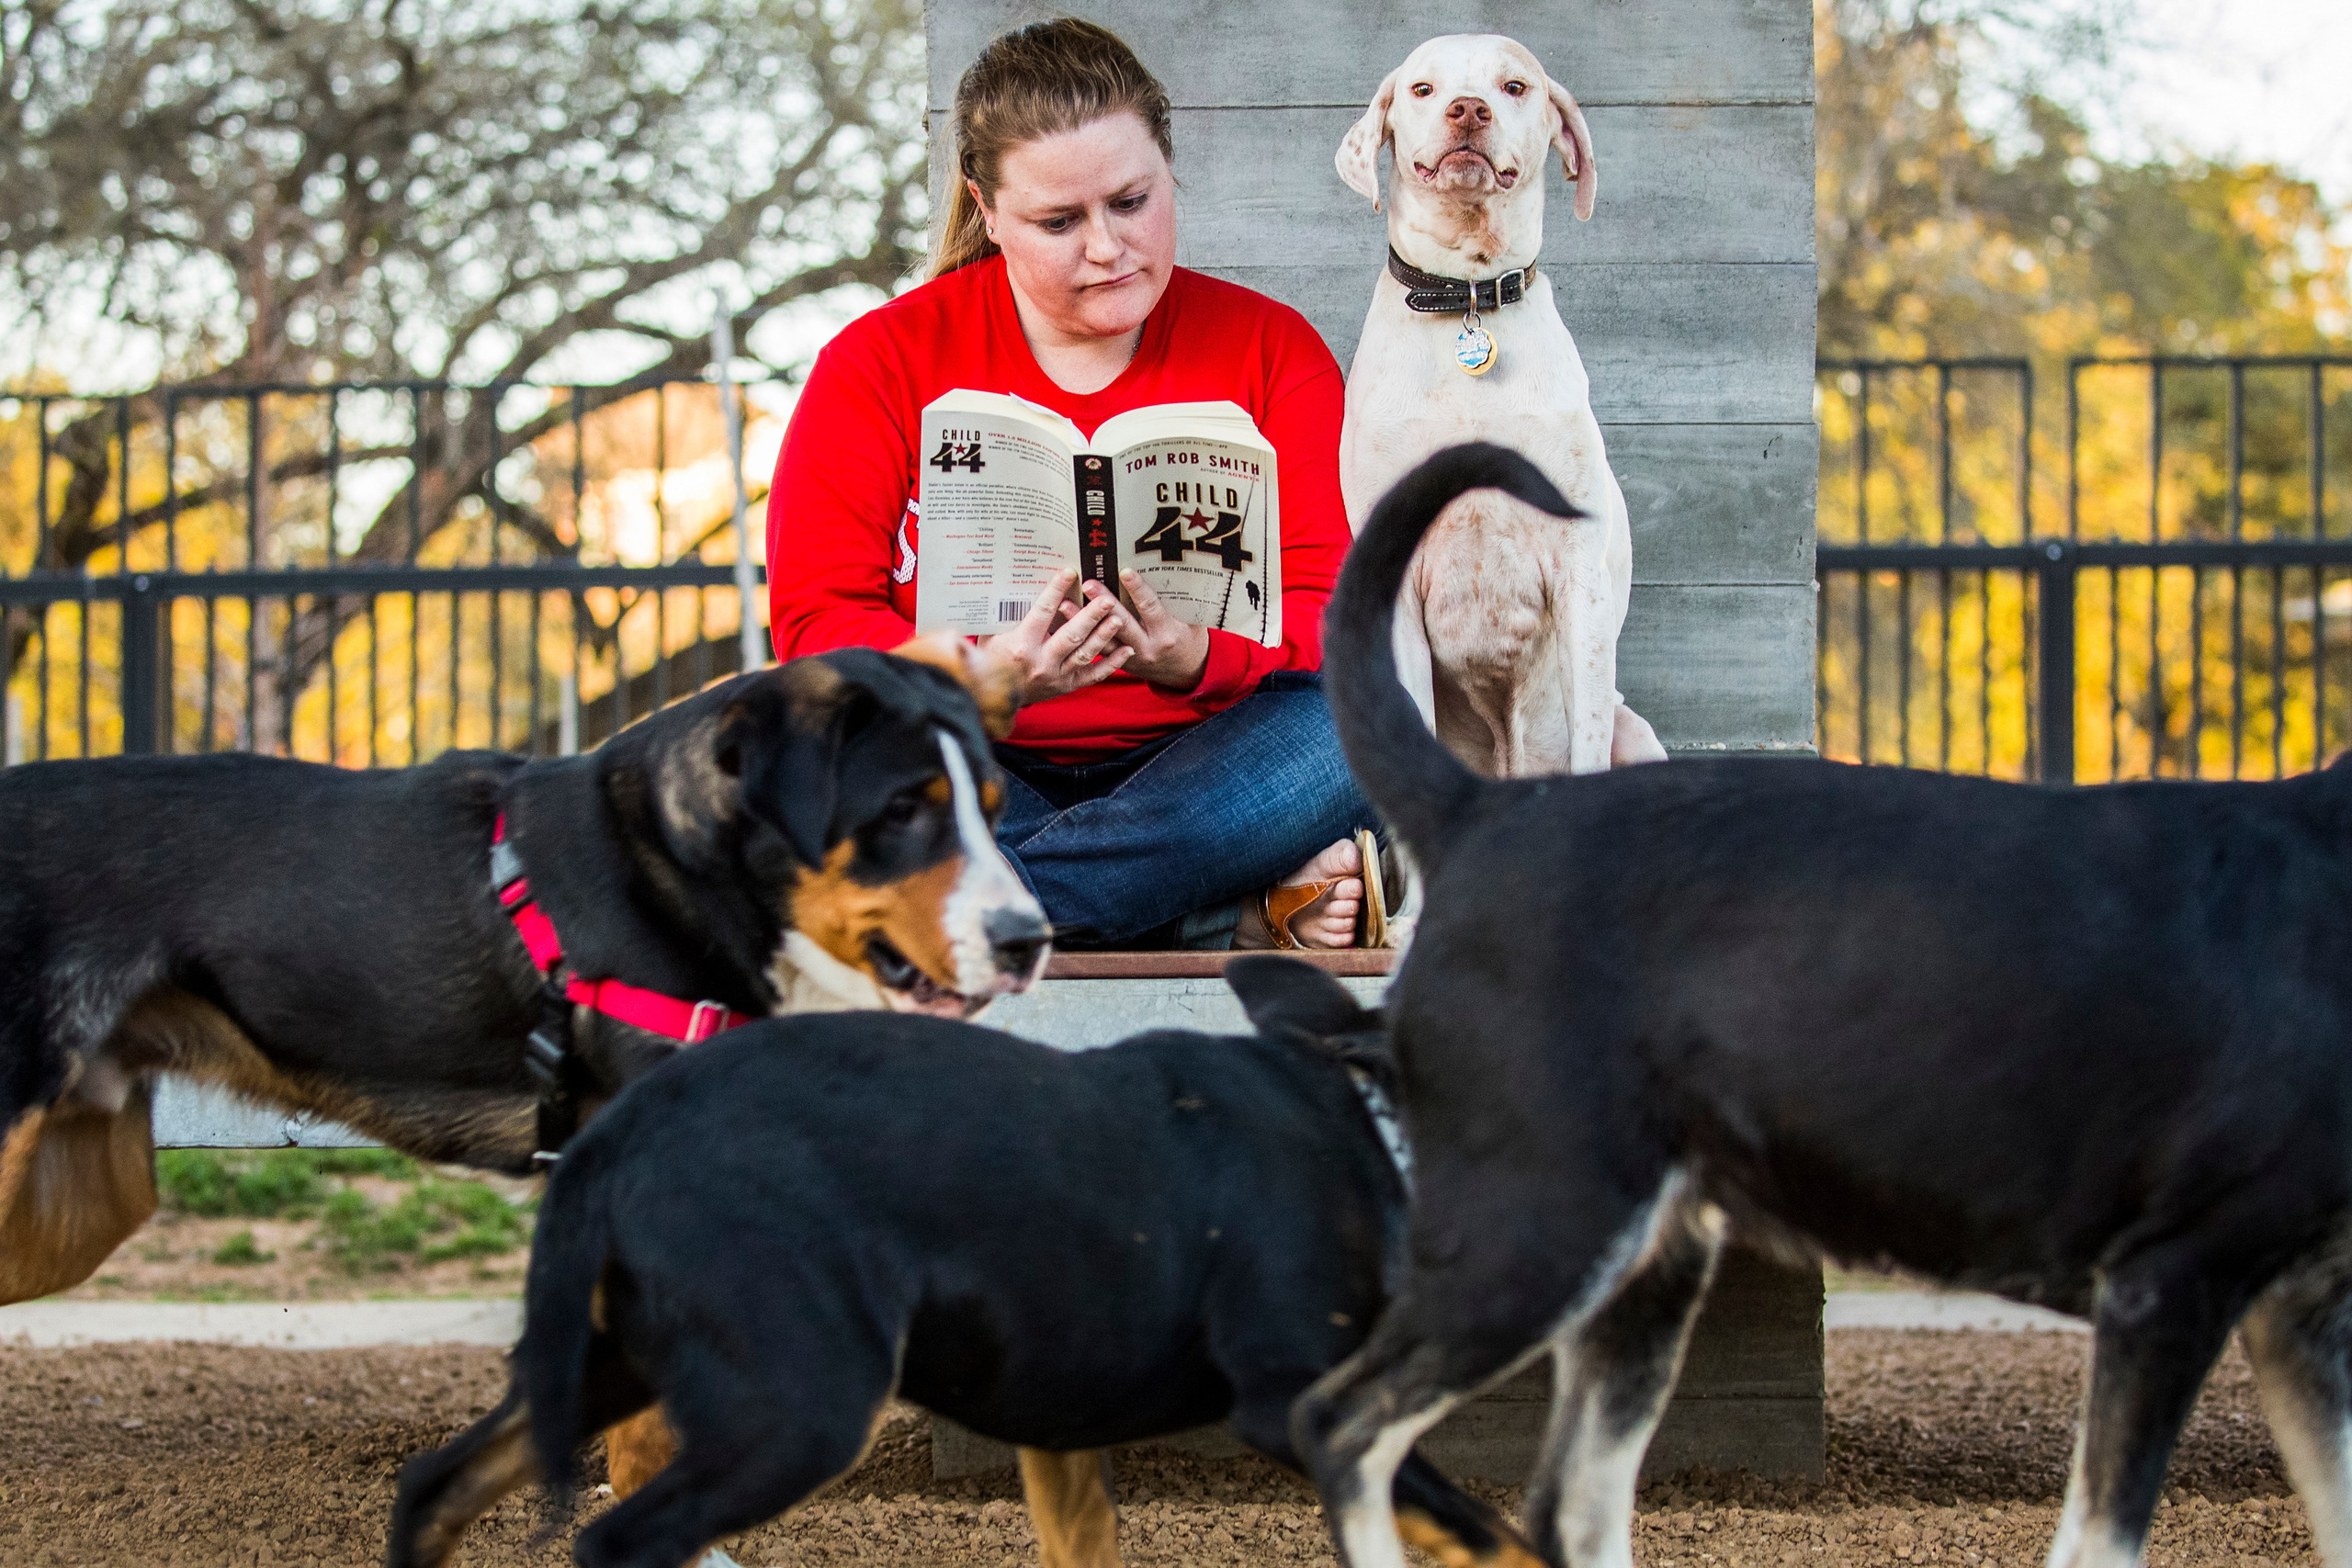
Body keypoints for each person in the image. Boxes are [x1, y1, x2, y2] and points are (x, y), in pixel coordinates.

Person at [766, 17, 1377, 951]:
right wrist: (985, 679)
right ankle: (1209, 911)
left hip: (1210, 760)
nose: (1107, 247)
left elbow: (1335, 616)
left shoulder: (1271, 349)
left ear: (1168, 168)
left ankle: (952, 921)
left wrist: (1197, 658)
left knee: (1355, 730)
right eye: (1059, 222)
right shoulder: (878, 362)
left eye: (1132, 201)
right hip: (975, 764)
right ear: (987, 208)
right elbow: (816, 628)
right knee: (827, 746)